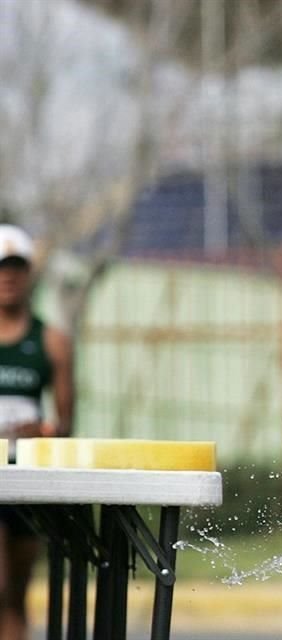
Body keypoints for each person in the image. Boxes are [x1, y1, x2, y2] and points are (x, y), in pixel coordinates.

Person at [0, 224, 74, 640]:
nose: (7, 277)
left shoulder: (52, 342)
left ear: (29, 274)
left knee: (14, 597)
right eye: (0, 268)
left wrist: (42, 431)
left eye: (15, 267)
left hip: (26, 479)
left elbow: (65, 427)